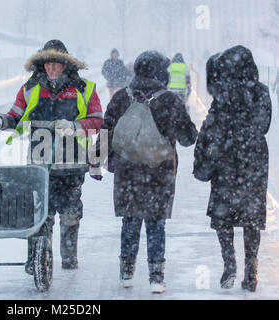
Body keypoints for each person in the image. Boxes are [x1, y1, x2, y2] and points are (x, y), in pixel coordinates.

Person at [0, 39, 103, 272]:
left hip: (71, 164)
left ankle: (68, 259)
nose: (52, 69)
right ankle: (38, 260)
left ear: (66, 65)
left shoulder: (84, 88)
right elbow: (15, 115)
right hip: (39, 165)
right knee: (40, 216)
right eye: (48, 64)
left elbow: (97, 120)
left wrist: (75, 126)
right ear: (42, 65)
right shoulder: (30, 88)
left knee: (70, 214)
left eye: (56, 64)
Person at [93, 50, 198, 293]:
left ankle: (126, 273)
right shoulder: (170, 100)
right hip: (159, 172)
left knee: (130, 222)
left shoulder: (121, 98)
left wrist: (95, 163)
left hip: (127, 172)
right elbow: (188, 138)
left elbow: (106, 130)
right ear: (161, 72)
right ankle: (156, 277)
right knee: (156, 224)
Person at [193, 45, 272, 292]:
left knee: (223, 215)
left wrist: (205, 152)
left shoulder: (223, 92)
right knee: (251, 218)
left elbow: (213, 125)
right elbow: (264, 125)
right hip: (254, 162)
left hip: (226, 162)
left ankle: (229, 264)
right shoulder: (261, 91)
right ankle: (251, 269)